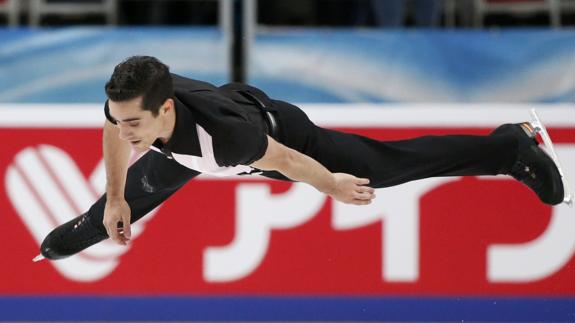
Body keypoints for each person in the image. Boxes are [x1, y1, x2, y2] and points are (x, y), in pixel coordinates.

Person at [37, 56, 567, 260]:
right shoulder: (130, 107)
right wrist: (111, 197)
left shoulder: (227, 141)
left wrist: (333, 184)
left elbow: (286, 160)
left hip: (281, 134)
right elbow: (111, 125)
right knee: (124, 202)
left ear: (165, 108)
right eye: (120, 117)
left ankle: (511, 146)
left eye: (135, 123)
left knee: (386, 166)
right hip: (194, 140)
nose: (124, 129)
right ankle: (84, 228)